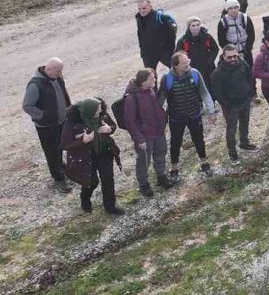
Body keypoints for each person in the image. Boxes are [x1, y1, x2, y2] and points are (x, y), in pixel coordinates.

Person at [158, 52, 216, 179]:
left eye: (188, 61)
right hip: (176, 118)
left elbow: (204, 93)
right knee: (175, 142)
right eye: (184, 63)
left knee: (199, 139)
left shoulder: (195, 73)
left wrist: (211, 111)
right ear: (175, 66)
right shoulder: (166, 79)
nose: (188, 65)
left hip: (194, 114)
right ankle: (174, 168)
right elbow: (160, 101)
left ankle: (204, 162)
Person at [62, 98, 123, 214]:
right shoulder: (72, 122)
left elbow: (113, 126)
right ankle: (85, 199)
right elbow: (64, 144)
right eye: (97, 110)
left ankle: (110, 206)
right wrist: (83, 141)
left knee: (108, 179)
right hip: (86, 157)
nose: (100, 112)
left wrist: (109, 129)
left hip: (105, 152)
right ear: (88, 111)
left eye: (100, 109)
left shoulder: (102, 115)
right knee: (91, 181)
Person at [23, 58, 73, 192]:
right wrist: (44, 116)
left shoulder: (57, 77)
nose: (60, 73)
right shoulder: (35, 84)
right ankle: (58, 179)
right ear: (48, 69)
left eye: (60, 71)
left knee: (61, 146)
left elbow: (63, 94)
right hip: (46, 126)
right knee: (51, 152)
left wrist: (69, 109)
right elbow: (27, 106)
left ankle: (61, 167)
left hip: (60, 121)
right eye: (58, 71)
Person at [122, 68, 170, 196]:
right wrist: (139, 139)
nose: (155, 79)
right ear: (143, 82)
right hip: (144, 136)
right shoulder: (131, 98)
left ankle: (161, 176)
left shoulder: (151, 90)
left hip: (158, 131)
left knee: (161, 153)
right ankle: (144, 184)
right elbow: (130, 122)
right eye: (152, 78)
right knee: (144, 161)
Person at [210, 45, 257, 163]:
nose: (233, 59)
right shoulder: (218, 73)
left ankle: (244, 143)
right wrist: (227, 105)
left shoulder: (243, 63)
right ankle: (232, 153)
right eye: (229, 57)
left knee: (245, 122)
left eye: (235, 56)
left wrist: (251, 93)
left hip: (245, 101)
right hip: (231, 106)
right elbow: (217, 93)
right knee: (231, 129)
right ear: (224, 57)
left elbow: (250, 77)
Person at [176, 16, 220, 91]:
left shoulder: (207, 37)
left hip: (208, 68)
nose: (196, 27)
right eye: (193, 25)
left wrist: (210, 61)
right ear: (188, 27)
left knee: (212, 89)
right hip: (192, 69)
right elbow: (178, 56)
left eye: (197, 25)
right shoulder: (183, 41)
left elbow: (215, 49)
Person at [136, 0, 177, 72]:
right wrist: (143, 51)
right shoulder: (139, 18)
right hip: (148, 54)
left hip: (164, 52)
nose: (142, 11)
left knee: (177, 70)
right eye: (139, 9)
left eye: (144, 8)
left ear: (150, 7)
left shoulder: (160, 17)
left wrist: (170, 49)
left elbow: (171, 34)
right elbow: (140, 34)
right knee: (150, 77)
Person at [218, 0, 256, 64]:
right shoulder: (223, 22)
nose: (233, 10)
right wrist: (230, 51)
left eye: (235, 7)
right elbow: (221, 39)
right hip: (231, 54)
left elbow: (251, 35)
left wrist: (247, 48)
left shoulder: (246, 19)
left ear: (239, 8)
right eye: (230, 8)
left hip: (245, 51)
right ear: (227, 10)